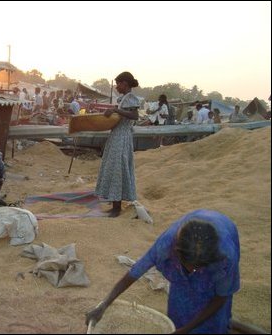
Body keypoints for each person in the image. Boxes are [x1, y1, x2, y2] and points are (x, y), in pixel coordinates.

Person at [86, 209, 240, 334]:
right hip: (183, 256)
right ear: (177, 254)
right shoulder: (166, 246)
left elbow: (221, 296)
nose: (193, 270)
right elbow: (134, 273)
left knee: (215, 321)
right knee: (180, 306)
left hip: (223, 235)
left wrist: (185, 330)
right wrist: (105, 304)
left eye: (198, 267)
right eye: (190, 266)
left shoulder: (225, 257)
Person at [95, 71, 139, 217]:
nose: (117, 87)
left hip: (122, 138)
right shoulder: (124, 99)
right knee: (114, 169)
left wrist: (115, 109)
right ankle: (115, 205)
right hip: (117, 137)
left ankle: (117, 208)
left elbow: (134, 115)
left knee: (118, 170)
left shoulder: (131, 98)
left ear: (125, 84)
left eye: (118, 84)